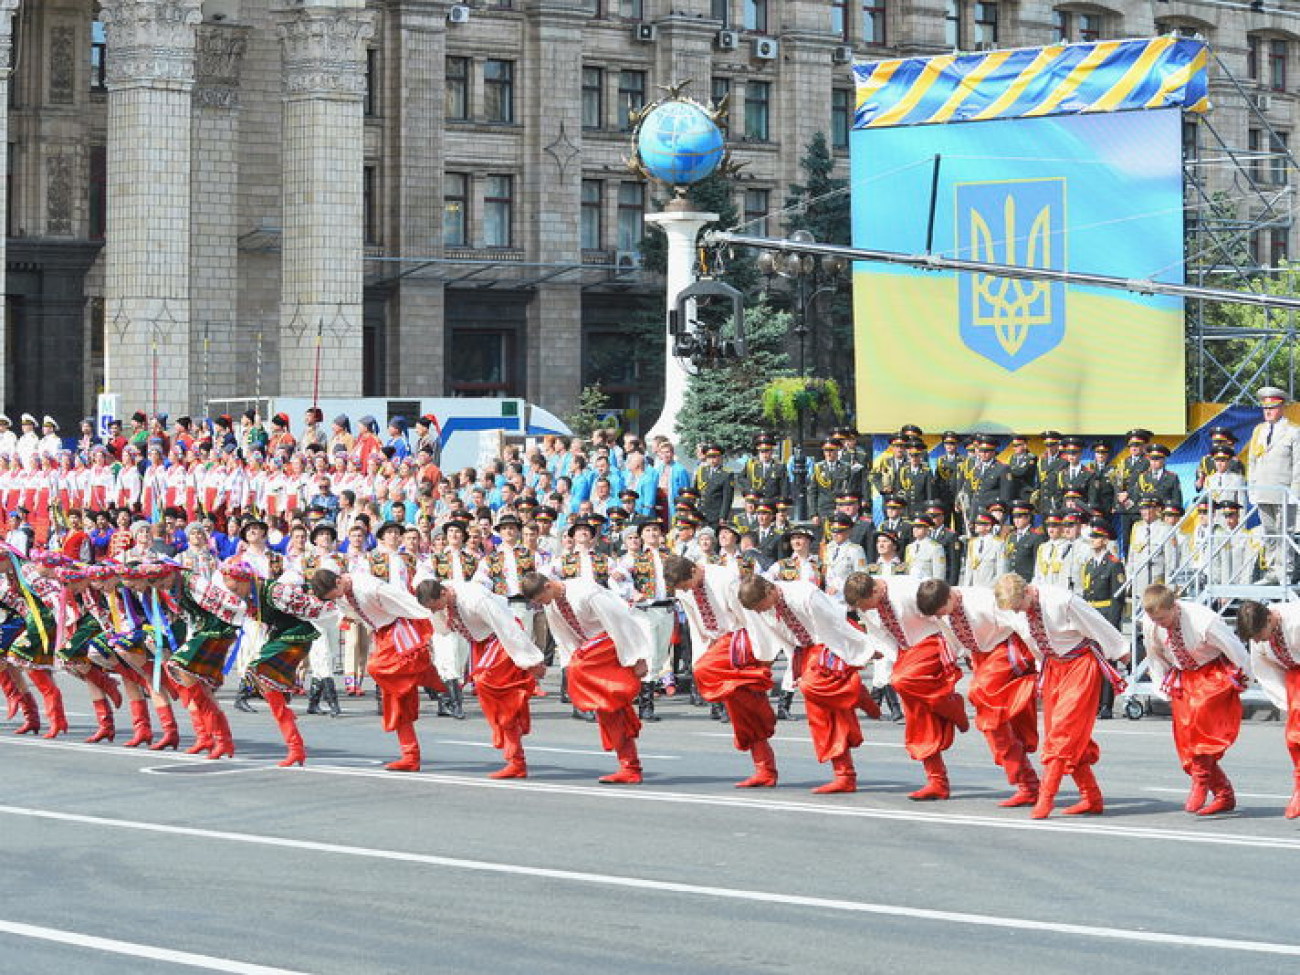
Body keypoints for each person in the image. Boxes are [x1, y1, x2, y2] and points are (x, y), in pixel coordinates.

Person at [993, 573, 1128, 819]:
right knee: (1069, 735)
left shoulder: (1060, 600)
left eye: (1018, 606)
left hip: (1079, 664)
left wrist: (1121, 651)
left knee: (1062, 732)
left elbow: (1097, 623)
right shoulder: (1020, 612)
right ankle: (1091, 796)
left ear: (1027, 593)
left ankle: (1046, 797)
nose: (1018, 612)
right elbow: (1032, 642)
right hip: (1054, 667)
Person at [739, 574, 884, 793]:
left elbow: (837, 623)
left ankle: (852, 689)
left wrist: (865, 648)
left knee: (812, 688)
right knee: (820, 714)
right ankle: (844, 773)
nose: (760, 612)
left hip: (828, 643)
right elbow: (781, 639)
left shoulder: (805, 595)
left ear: (770, 591)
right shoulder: (766, 608)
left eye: (760, 606)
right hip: (805, 651)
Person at [844, 572, 968, 800]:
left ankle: (950, 705)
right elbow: (878, 632)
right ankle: (937, 780)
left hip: (930, 642)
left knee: (901, 680)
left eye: (866, 605)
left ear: (875, 591)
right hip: (906, 650)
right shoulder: (867, 604)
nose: (866, 610)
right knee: (918, 717)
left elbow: (941, 613)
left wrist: (958, 648)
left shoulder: (907, 589)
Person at [522, 571, 653, 784]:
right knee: (608, 708)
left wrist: (638, 657)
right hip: (591, 651)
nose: (541, 604)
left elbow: (619, 620)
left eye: (540, 599)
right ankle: (629, 765)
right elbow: (564, 637)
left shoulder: (585, 591)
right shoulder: (552, 604)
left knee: (580, 668)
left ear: (548, 586)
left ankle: (630, 764)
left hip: (610, 641)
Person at [664, 555, 779, 787]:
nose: (686, 590)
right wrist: (700, 657)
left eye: (687, 584)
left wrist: (763, 654)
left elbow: (750, 616)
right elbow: (696, 627)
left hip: (739, 639)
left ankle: (750, 683)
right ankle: (764, 769)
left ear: (695, 570)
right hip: (718, 646)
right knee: (744, 712)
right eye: (682, 588)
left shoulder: (725, 579)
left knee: (706, 670)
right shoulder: (684, 591)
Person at [311, 566, 440, 772]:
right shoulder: (343, 594)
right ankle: (410, 754)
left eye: (334, 594)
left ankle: (426, 676)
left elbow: (407, 603)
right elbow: (348, 612)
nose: (335, 598)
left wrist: (433, 624)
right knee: (395, 701)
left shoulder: (370, 587)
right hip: (382, 635)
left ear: (338, 582)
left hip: (400, 630)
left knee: (376, 666)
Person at [416, 577, 546, 778]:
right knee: (495, 701)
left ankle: (516, 758)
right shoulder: (445, 602)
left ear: (443, 593)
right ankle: (515, 758)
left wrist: (531, 659)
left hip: (501, 637)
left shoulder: (474, 598)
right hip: (481, 642)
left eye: (435, 606)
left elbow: (506, 626)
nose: (434, 611)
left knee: (489, 685)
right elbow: (443, 628)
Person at [1141, 584, 1249, 816]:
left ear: (1174, 607)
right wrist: (1162, 683)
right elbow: (1154, 654)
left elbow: (1234, 648)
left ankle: (1200, 782)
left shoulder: (1203, 621)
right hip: (1184, 677)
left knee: (1203, 730)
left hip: (1211, 674)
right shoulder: (1151, 623)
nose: (1159, 623)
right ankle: (1223, 793)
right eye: (1154, 619)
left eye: (1162, 618)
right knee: (1186, 742)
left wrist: (1242, 678)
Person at [1237, 599, 1300, 818]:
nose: (1256, 641)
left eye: (1257, 635)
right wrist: (1287, 702)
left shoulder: (1296, 621)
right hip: (1294, 679)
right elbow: (1264, 668)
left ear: (1269, 619)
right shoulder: (1260, 634)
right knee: (1294, 738)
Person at [1247, 386, 1300, 581]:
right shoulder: (1258, 431)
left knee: (1284, 531)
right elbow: (1252, 461)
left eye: (1273, 407)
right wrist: (1252, 486)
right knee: (1268, 531)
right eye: (1265, 408)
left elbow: (1298, 465)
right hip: (1263, 489)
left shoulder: (1293, 431)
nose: (1268, 411)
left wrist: (1295, 492)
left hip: (1283, 490)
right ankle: (1271, 570)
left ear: (1282, 407)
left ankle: (1285, 570)